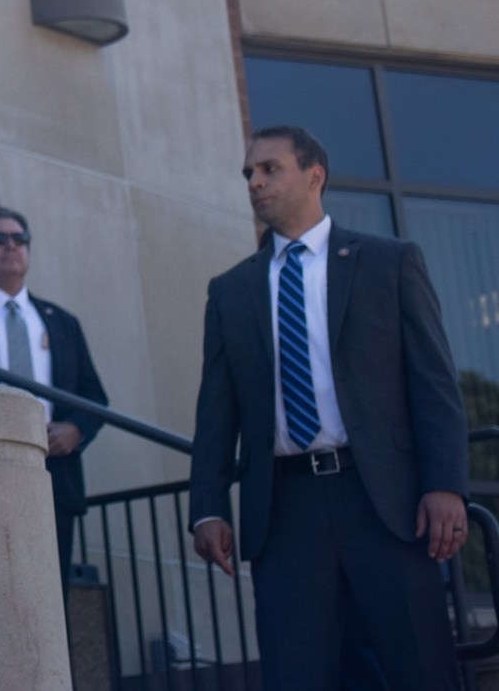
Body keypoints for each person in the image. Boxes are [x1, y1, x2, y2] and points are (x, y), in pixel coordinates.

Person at [188, 125, 467, 691]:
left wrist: (447, 484)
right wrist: (208, 507)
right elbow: (217, 411)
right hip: (286, 510)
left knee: (420, 665)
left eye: (270, 169)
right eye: (249, 174)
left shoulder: (389, 263)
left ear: (315, 176)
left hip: (383, 500)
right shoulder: (232, 291)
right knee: (298, 674)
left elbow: (433, 384)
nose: (255, 182)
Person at [0, 205, 112, 563]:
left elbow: (94, 397)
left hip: (54, 476)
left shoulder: (61, 321)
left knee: (52, 597)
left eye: (20, 239)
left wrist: (76, 431)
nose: (11, 246)